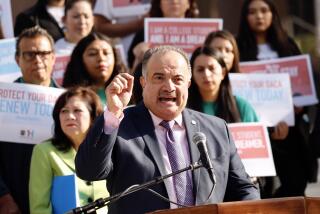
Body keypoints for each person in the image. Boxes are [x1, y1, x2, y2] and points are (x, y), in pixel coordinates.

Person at [75, 46, 260, 214]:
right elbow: (89, 171)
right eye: (159, 77)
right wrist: (112, 114)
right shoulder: (120, 125)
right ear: (143, 82)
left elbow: (244, 189)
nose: (169, 87)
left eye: (177, 79)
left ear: (188, 84)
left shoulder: (216, 129)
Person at [236, 0, 316, 197]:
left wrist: (300, 106)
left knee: (295, 185)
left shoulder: (287, 45)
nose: (259, 16)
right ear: (245, 17)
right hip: (255, 131)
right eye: (252, 12)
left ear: (273, 14)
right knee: (260, 189)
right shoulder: (238, 47)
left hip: (290, 130)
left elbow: (304, 87)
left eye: (264, 11)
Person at [0, 26, 59, 214]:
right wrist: (3, 196)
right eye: (30, 55)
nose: (38, 60)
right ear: (17, 59)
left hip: (58, 201)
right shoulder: (2, 101)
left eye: (43, 53)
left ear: (53, 57)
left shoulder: (71, 102)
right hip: (14, 202)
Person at [29, 87, 108, 214]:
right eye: (64, 111)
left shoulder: (106, 149)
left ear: (93, 117)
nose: (70, 116)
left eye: (77, 110)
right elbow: (39, 208)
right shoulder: (44, 151)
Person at [188, 46, 258, 123]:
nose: (206, 74)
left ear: (223, 72)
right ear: (192, 74)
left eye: (212, 68)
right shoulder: (183, 107)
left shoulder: (241, 106)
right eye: (200, 70)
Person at [127, 0, 199, 70]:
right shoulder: (144, 34)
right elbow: (131, 69)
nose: (174, 1)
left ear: (189, 3)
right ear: (159, 4)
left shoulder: (201, 34)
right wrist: (138, 58)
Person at [62, 32, 126, 104]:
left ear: (115, 58)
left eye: (106, 53)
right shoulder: (69, 98)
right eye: (93, 54)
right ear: (80, 60)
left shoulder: (127, 92)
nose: (101, 58)